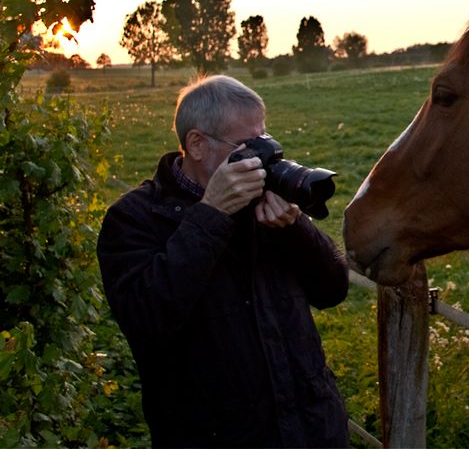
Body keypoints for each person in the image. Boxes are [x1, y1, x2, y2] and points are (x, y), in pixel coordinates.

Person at [97, 75, 350, 447]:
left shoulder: (263, 203)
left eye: (264, 139)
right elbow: (145, 318)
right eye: (248, 145)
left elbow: (333, 289)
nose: (264, 156)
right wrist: (212, 214)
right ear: (197, 145)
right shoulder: (135, 218)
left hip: (313, 431)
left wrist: (296, 228)